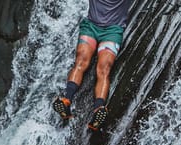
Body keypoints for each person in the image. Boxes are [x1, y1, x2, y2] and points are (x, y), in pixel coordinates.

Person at [52, 0, 134, 131]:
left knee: (104, 69)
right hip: (90, 27)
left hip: (112, 31)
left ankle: (98, 110)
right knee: (80, 62)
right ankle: (66, 101)